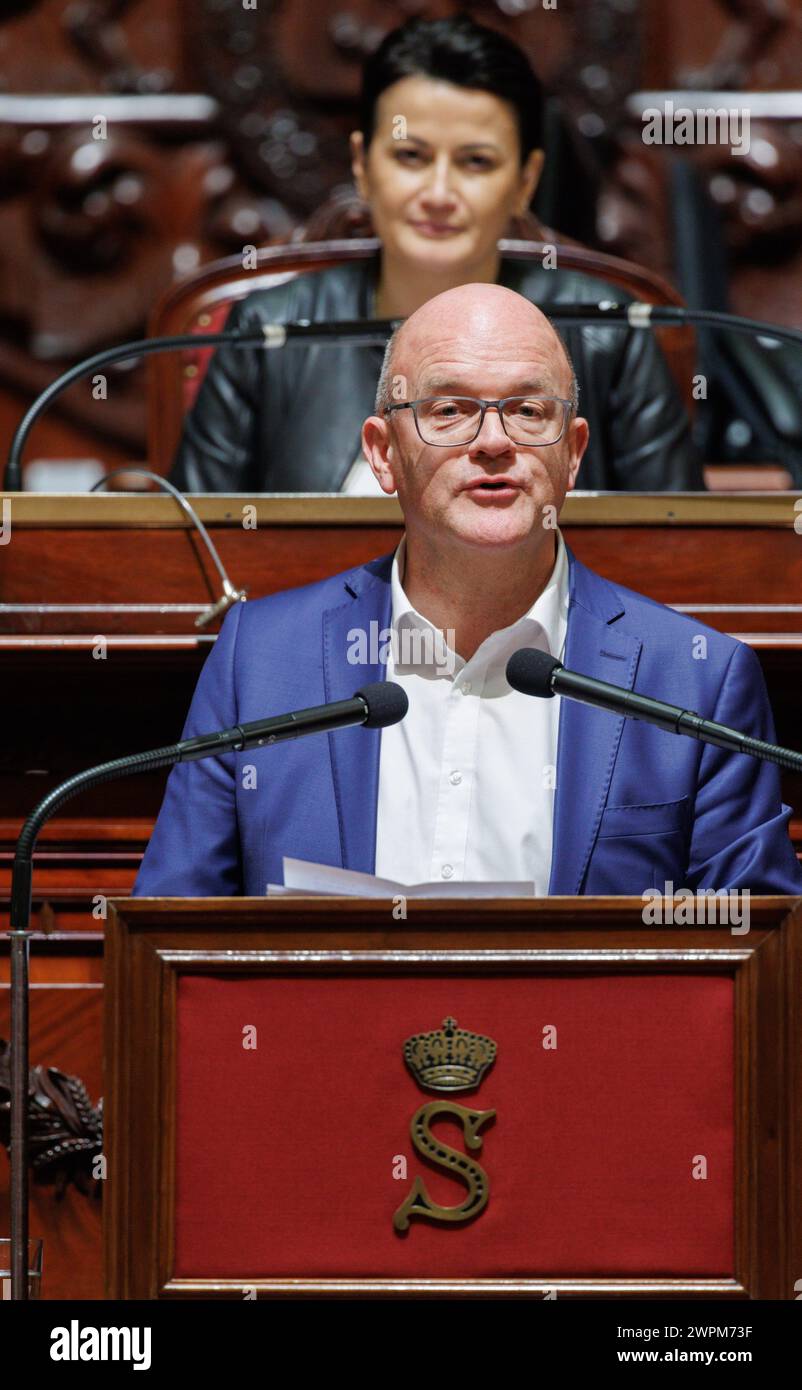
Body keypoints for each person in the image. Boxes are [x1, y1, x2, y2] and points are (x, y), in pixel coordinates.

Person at [135, 284, 799, 897]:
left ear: (572, 453)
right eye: (449, 410)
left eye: (528, 410)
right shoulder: (260, 661)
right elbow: (172, 939)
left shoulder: (694, 680)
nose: (493, 442)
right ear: (382, 454)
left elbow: (752, 967)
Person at [170, 15, 703, 495]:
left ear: (525, 181)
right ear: (362, 164)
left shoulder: (609, 330)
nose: (439, 192)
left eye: (475, 162)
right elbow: (190, 551)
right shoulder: (269, 331)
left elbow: (678, 555)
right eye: (411, 156)